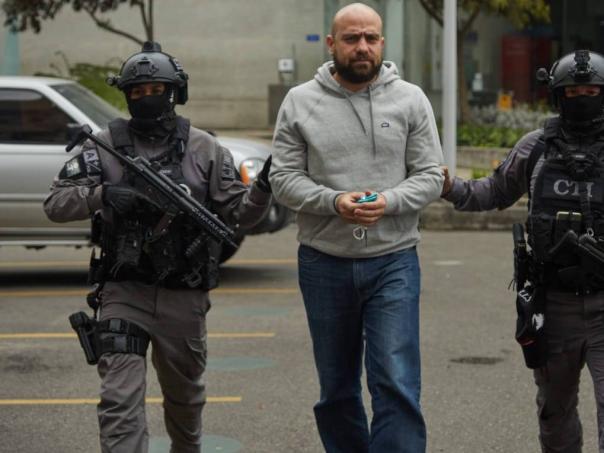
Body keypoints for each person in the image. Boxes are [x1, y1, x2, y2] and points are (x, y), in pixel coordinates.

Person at [44, 41, 272, 453]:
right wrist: (102, 195)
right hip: (124, 291)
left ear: (175, 93)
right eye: (137, 91)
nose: (147, 98)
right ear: (126, 95)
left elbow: (240, 215)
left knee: (185, 402)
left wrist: (265, 188)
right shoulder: (103, 145)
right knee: (119, 402)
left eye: (156, 90)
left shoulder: (205, 149)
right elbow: (56, 204)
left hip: (184, 295)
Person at [269, 3, 443, 452]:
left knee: (396, 381)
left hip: (394, 260)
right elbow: (283, 178)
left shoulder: (410, 99)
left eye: (370, 38)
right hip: (323, 262)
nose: (362, 47)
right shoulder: (300, 102)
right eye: (351, 38)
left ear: (382, 42)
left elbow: (430, 175)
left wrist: (388, 202)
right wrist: (333, 202)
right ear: (332, 44)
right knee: (337, 389)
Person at [441, 49, 604, 453]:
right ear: (558, 96)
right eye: (573, 92)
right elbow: (493, 191)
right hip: (555, 306)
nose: (582, 98)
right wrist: (448, 187)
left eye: (591, 91)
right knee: (554, 414)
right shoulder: (536, 148)